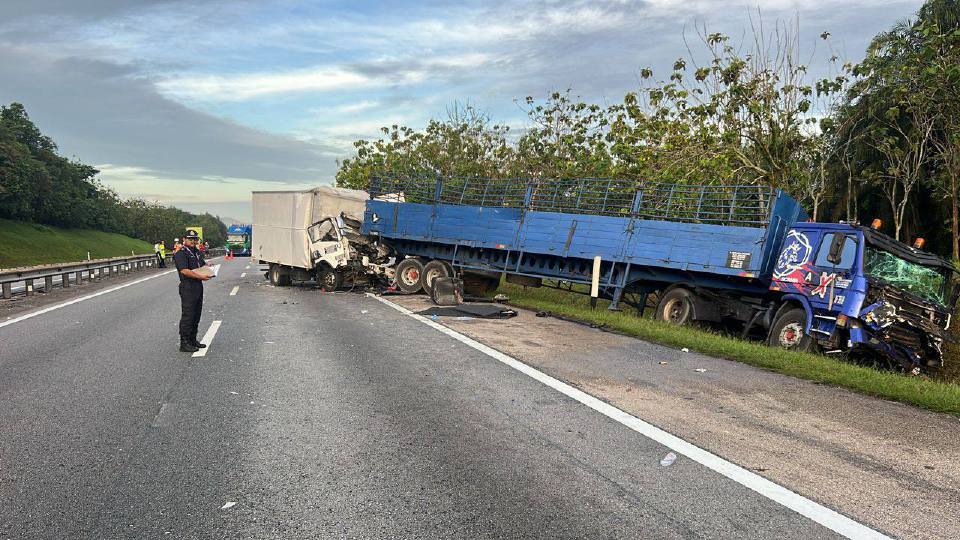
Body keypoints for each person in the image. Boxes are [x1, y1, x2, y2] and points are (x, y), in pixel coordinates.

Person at [173, 230, 210, 352]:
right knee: (188, 315)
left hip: (198, 286)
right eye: (190, 239)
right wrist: (200, 276)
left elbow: (202, 266)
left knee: (196, 314)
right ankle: (184, 342)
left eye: (195, 239)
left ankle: (193, 339)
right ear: (184, 239)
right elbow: (184, 270)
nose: (193, 241)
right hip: (188, 286)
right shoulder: (181, 253)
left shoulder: (197, 252)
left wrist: (208, 268)